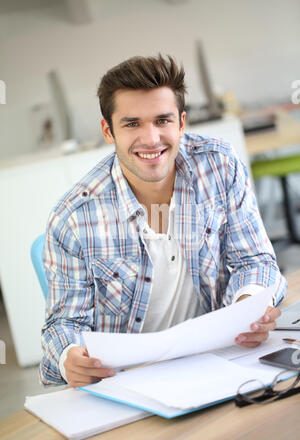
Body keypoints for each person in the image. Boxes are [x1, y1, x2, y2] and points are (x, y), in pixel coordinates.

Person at [39, 54, 287, 387]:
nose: (151, 139)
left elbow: (253, 260)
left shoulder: (219, 165)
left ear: (181, 123)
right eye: (132, 124)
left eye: (162, 120)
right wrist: (69, 354)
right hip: (130, 380)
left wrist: (247, 310)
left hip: (219, 358)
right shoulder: (73, 218)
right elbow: (63, 324)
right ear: (108, 131)